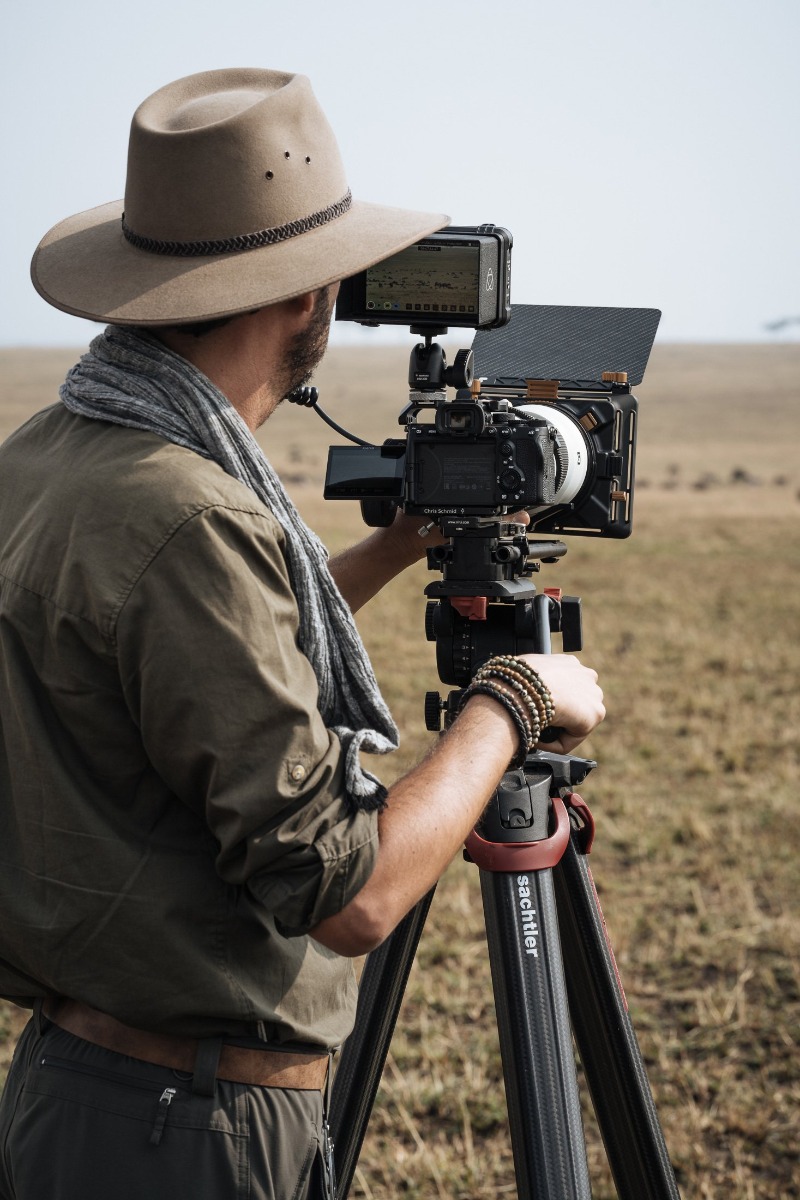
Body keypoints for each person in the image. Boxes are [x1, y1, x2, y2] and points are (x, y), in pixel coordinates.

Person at [0, 69, 605, 1200]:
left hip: (83, 1087)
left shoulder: (51, 454)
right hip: (186, 1132)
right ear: (304, 295)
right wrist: (511, 703)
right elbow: (350, 895)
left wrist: (391, 547)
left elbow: (189, 655)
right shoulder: (193, 515)